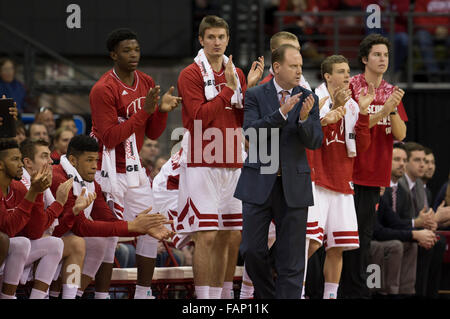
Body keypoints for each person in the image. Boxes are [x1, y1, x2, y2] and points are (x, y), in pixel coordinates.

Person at [176, 14, 264, 299]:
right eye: (211, 37)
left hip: (233, 159)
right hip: (203, 161)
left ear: (228, 40)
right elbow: (197, 119)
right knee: (208, 235)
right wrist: (228, 90)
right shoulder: (190, 74)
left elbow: (241, 119)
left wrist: (247, 88)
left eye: (221, 37)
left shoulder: (236, 72)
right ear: (201, 40)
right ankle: (204, 300)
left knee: (232, 236)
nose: (217, 42)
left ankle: (224, 296)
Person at [89, 28, 181, 299]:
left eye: (137, 50)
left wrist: (161, 112)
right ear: (113, 54)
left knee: (151, 227)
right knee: (109, 236)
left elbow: (152, 132)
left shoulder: (146, 81)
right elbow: (109, 136)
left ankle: (143, 293)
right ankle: (102, 295)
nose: (133, 55)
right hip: (107, 170)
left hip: (134, 169)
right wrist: (145, 111)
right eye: (127, 50)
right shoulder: (103, 89)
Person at [235, 43, 323, 298]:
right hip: (258, 181)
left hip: (293, 185)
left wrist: (305, 120)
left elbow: (315, 141)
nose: (299, 71)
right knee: (251, 250)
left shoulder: (310, 98)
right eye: (293, 66)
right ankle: (266, 296)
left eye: (300, 66)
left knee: (293, 257)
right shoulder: (254, 94)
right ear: (276, 67)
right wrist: (281, 114)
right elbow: (250, 132)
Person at [50, 135, 173, 299]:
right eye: (89, 160)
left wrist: (142, 228)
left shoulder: (92, 183)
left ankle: (75, 294)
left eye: (96, 160)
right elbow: (81, 227)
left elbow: (110, 221)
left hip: (61, 238)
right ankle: (53, 294)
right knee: (77, 243)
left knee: (99, 241)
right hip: (40, 237)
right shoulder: (59, 178)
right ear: (73, 160)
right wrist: (133, 226)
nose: (95, 166)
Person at [339, 33, 408, 299]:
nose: (383, 59)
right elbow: (352, 128)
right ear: (365, 59)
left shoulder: (392, 91)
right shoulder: (353, 86)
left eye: (386, 55)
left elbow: (400, 135)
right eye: (377, 54)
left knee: (362, 238)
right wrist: (381, 110)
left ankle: (356, 292)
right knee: (342, 237)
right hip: (349, 173)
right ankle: (335, 290)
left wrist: (391, 109)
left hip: (374, 175)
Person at [305, 55, 372, 299]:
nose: (347, 76)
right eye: (341, 72)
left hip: (343, 180)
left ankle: (330, 296)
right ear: (327, 76)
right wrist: (333, 110)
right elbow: (313, 138)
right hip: (318, 180)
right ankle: (294, 290)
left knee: (339, 247)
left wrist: (363, 112)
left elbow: (361, 146)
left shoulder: (353, 105)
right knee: (310, 243)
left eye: (348, 71)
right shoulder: (315, 99)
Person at [19, 138, 86, 299]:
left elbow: (53, 228)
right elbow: (37, 230)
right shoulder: (22, 184)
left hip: (32, 243)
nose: (50, 161)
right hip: (17, 246)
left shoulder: (43, 184)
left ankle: (70, 296)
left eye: (50, 156)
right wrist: (60, 203)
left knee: (77, 243)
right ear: (28, 162)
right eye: (44, 156)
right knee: (52, 243)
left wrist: (73, 212)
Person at [399, 141, 446, 298]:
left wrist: (431, 221)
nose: (423, 166)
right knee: (427, 243)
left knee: (437, 242)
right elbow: (403, 218)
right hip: (400, 230)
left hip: (411, 228)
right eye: (418, 160)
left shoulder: (419, 185)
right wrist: (434, 219)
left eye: (425, 161)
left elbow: (422, 216)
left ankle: (429, 293)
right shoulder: (399, 184)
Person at [414, 0, 450, 81]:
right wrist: (434, 29)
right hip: (428, 31)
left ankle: (447, 75)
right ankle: (434, 74)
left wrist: (447, 29)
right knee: (422, 36)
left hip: (447, 31)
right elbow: (418, 18)